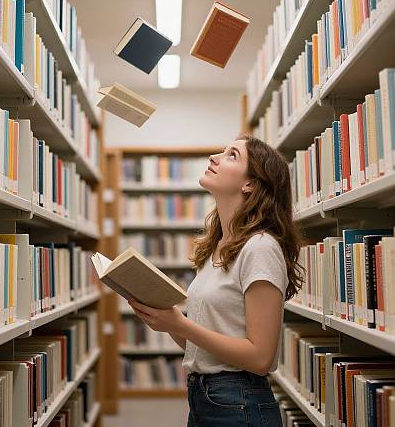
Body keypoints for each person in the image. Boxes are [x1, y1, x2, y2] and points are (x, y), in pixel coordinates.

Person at [129, 136, 304, 426]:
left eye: (231, 155)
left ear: (250, 183)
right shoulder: (218, 247)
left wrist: (180, 324)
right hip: (204, 398)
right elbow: (204, 346)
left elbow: (260, 357)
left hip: (239, 402)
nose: (214, 157)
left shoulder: (260, 247)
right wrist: (166, 322)